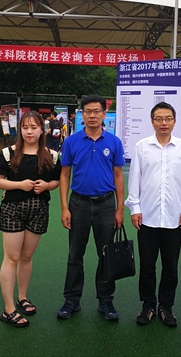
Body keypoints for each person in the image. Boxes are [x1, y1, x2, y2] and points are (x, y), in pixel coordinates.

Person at [125, 102, 181, 327]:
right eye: (159, 119)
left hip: (174, 218)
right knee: (147, 266)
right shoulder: (142, 147)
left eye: (168, 118)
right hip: (147, 217)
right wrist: (135, 208)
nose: (163, 122)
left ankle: (166, 306)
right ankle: (148, 305)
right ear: (152, 122)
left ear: (174, 121)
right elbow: (134, 178)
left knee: (170, 266)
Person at [57, 94, 126, 321]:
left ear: (104, 114)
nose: (92, 115)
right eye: (88, 111)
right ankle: (71, 300)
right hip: (78, 204)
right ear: (82, 115)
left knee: (105, 255)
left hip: (106, 204)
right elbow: (65, 175)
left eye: (97, 111)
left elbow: (118, 176)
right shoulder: (71, 142)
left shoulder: (114, 142)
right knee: (75, 255)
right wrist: (64, 207)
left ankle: (105, 300)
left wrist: (119, 209)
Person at [0, 111, 61, 328]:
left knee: (27, 256)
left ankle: (22, 297)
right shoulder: (8, 153)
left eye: (34, 127)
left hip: (39, 210)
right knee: (12, 258)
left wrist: (47, 186)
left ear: (42, 130)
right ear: (20, 130)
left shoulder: (52, 155)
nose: (29, 132)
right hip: (12, 209)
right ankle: (8, 309)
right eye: (25, 127)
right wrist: (19, 185)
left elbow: (57, 180)